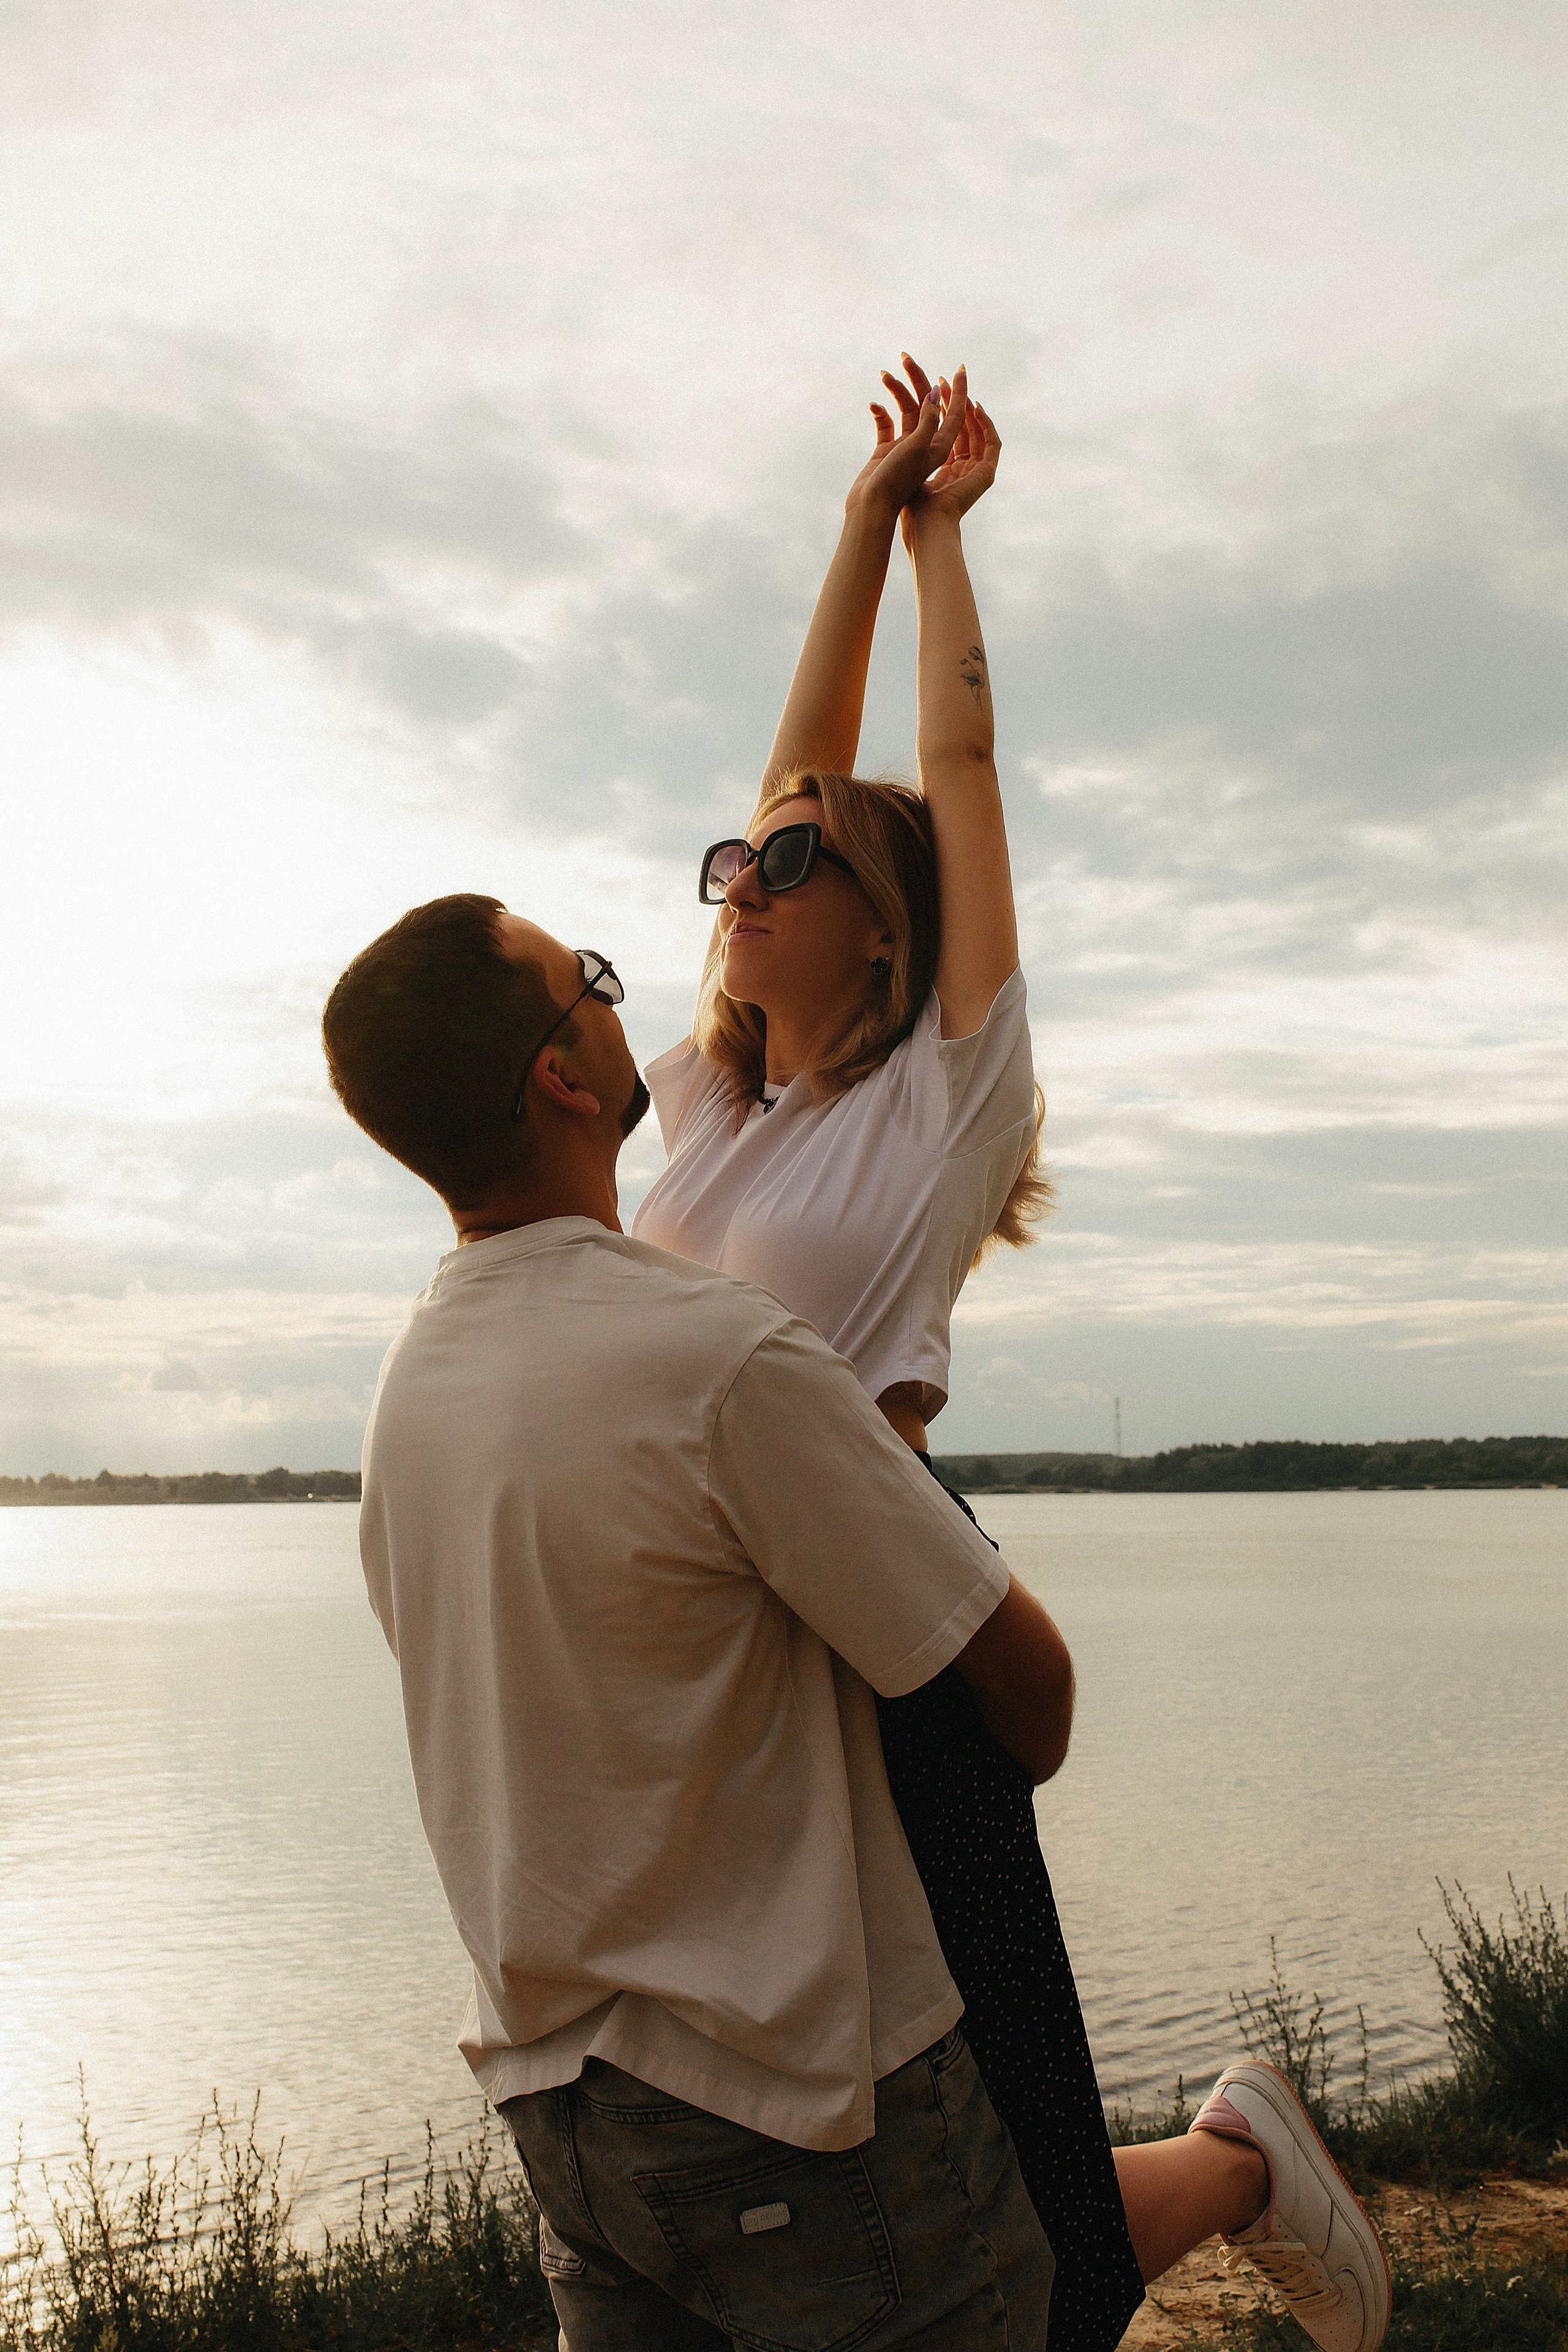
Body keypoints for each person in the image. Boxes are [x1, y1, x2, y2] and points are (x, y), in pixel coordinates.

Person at [322, 894, 1389, 2352]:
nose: (625, 999)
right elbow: (1028, 1686)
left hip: (561, 2113)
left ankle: (1233, 2164)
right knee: (1035, 2296)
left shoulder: (408, 1395)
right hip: (796, 2114)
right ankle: (1239, 2165)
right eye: (590, 981)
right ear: (562, 1077)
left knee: (1046, 2264)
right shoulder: (716, 1359)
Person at [628, 358, 1389, 2352]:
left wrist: (935, 543)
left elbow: (947, 773)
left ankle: (1240, 2166)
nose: (747, 880)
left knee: (1022, 2170)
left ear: (888, 935)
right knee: (875, 2154)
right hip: (739, 1617)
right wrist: (846, 523)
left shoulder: (937, 1104)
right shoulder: (712, 1110)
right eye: (739, 861)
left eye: (799, 865)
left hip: (897, 1593)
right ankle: (1231, 2159)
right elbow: (797, 763)